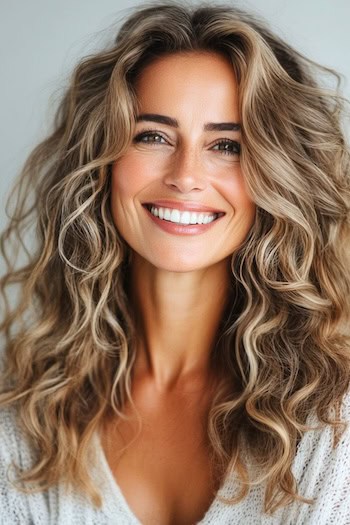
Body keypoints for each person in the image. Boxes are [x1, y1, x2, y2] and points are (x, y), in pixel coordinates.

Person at [0, 1, 349, 524]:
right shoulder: (25, 420)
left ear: (277, 178)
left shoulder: (333, 419)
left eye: (226, 145)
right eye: (154, 136)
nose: (186, 175)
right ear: (102, 163)